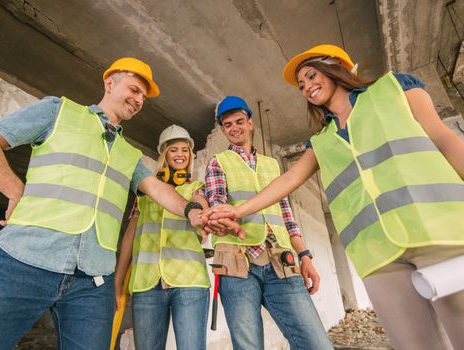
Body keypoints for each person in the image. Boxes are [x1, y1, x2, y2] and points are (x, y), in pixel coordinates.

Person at [207, 45, 464, 350]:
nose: (306, 87)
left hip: (441, 234)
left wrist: (302, 255)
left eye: (311, 75)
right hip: (378, 257)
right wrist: (235, 213)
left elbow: (446, 138)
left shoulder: (395, 88)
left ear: (336, 68)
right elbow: (289, 181)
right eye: (301, 85)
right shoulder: (321, 140)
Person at [0, 58, 207, 350]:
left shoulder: (129, 154)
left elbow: (157, 188)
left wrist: (192, 210)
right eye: (134, 89)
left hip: (92, 280)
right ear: (110, 83)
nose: (139, 100)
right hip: (24, 260)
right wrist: (17, 192)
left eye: (144, 96)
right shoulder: (58, 111)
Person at [203, 96, 332, 350]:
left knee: (316, 344)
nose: (234, 128)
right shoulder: (218, 162)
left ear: (250, 123)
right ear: (222, 129)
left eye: (239, 121)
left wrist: (304, 255)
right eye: (227, 125)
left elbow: (287, 216)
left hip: (280, 261)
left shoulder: (272, 165)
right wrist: (224, 221)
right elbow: (217, 204)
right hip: (237, 265)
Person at [115, 125, 210, 350]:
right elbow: (130, 237)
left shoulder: (197, 188)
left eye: (185, 150)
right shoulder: (146, 193)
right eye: (174, 150)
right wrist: (119, 281)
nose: (180, 155)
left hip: (189, 282)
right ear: (164, 154)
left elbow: (203, 209)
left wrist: (200, 210)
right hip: (147, 284)